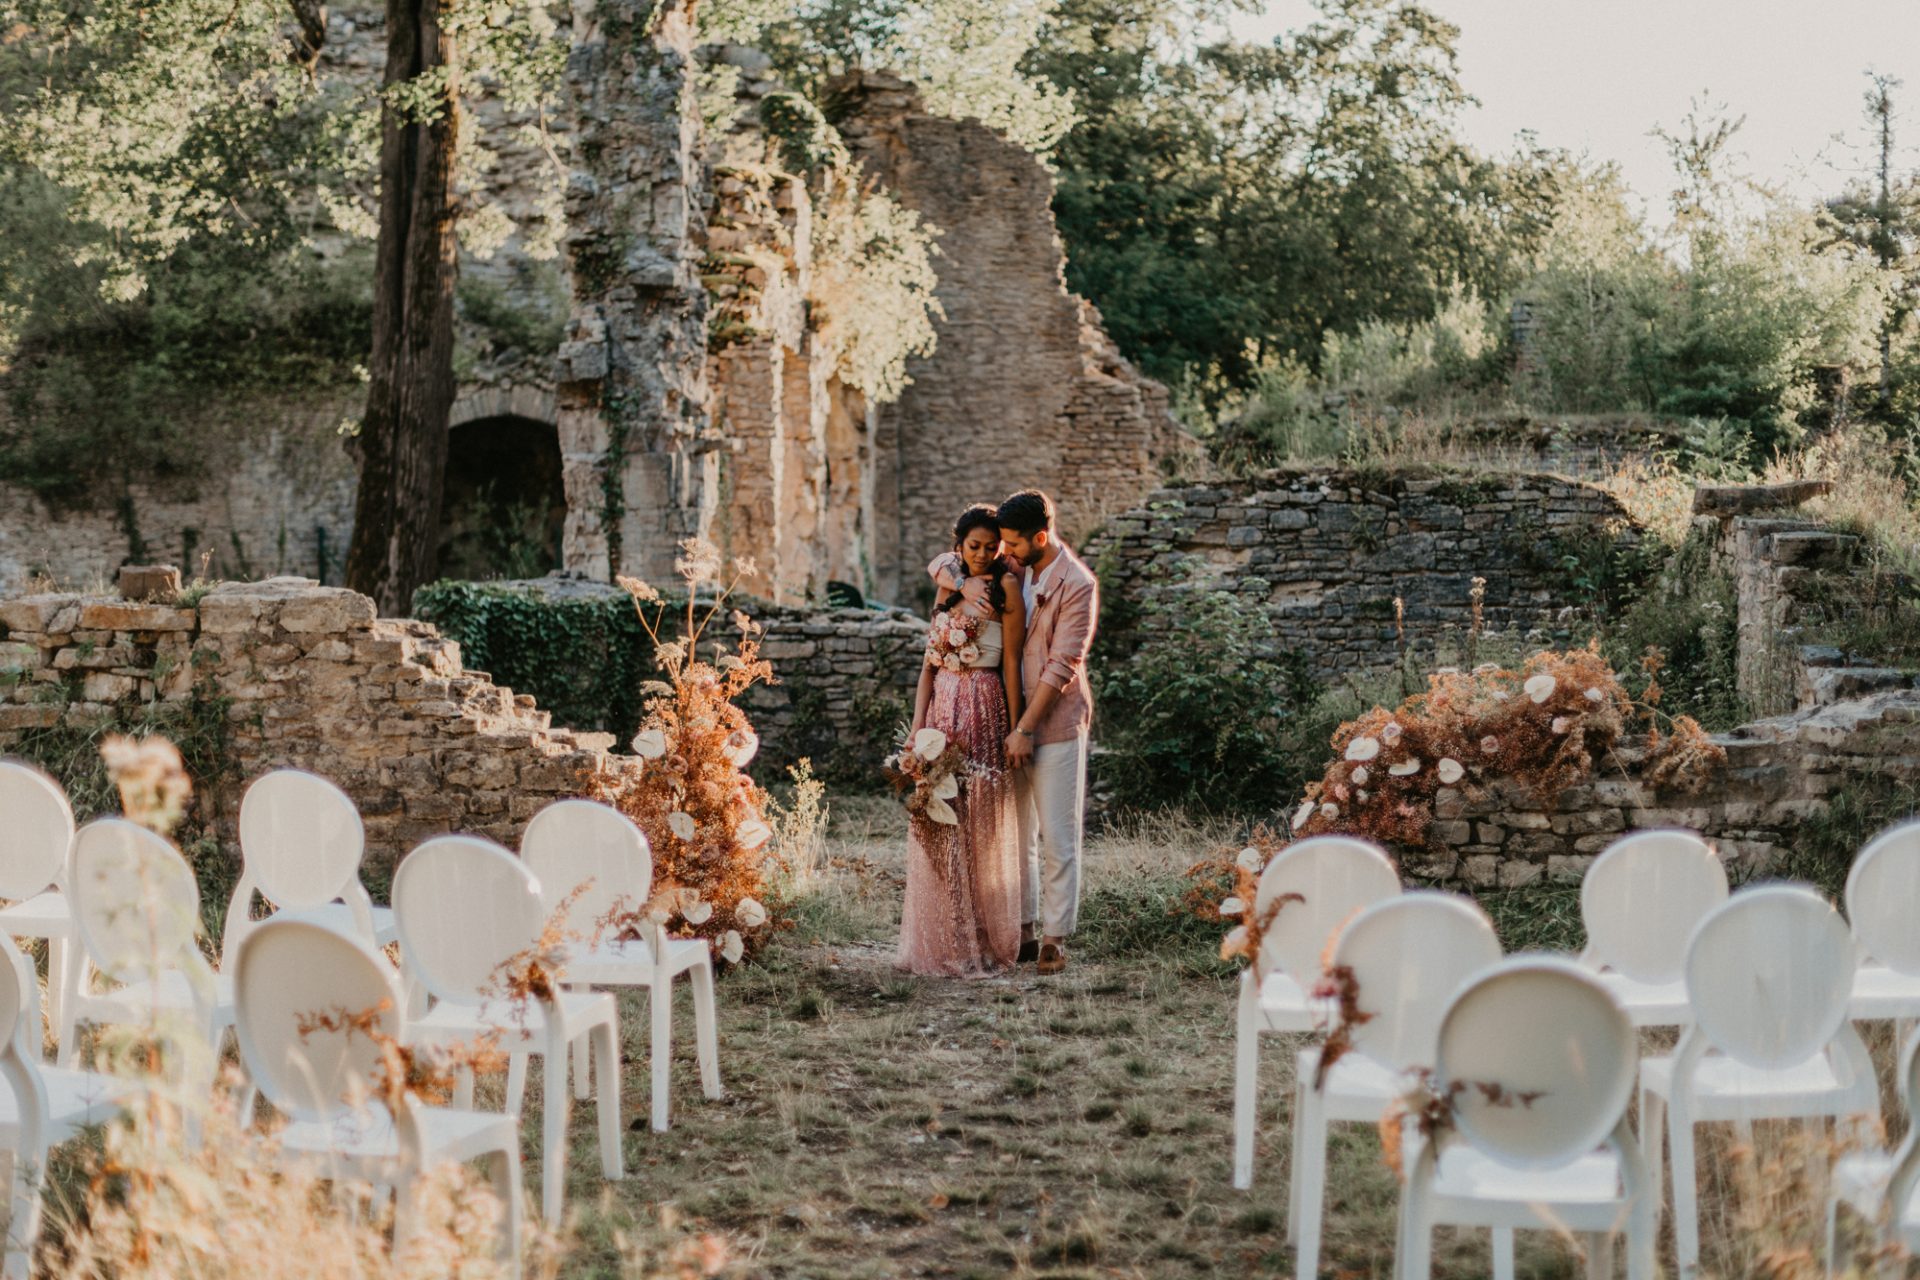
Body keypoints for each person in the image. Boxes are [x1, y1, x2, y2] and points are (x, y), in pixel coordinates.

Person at [931, 489, 1097, 976]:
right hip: (1006, 722)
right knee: (1016, 832)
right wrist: (957, 585)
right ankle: (1021, 930)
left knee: (1057, 836)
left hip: (1053, 722)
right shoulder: (1016, 567)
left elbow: (1061, 666)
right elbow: (946, 557)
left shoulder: (1078, 584)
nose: (1002, 552)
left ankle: (1055, 937)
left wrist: (1025, 728)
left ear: (1039, 538)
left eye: (1011, 544)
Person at [896, 505, 1027, 976]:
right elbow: (928, 664)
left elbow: (1011, 661)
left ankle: (982, 933)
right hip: (943, 707)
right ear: (959, 546)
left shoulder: (1006, 587)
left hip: (985, 703)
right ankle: (944, 931)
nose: (982, 554)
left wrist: (1016, 726)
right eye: (974, 546)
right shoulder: (949, 584)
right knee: (938, 814)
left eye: (992, 547)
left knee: (978, 817)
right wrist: (916, 727)